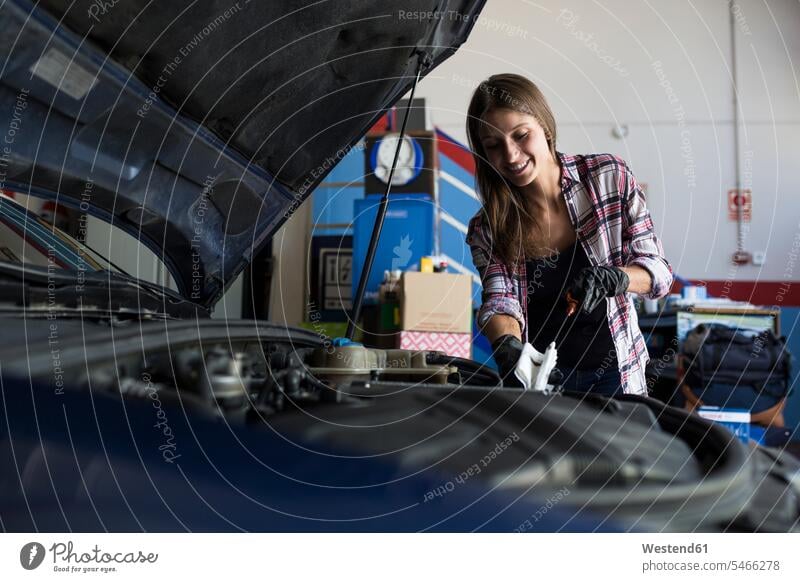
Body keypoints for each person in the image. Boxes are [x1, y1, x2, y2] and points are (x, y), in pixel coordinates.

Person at [465, 74, 673, 396]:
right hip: (543, 383)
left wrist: (614, 278)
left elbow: (658, 274)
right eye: (494, 146)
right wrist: (506, 346)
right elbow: (500, 300)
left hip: (617, 375)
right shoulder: (488, 227)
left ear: (545, 128)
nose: (510, 155)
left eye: (521, 135)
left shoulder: (608, 179)